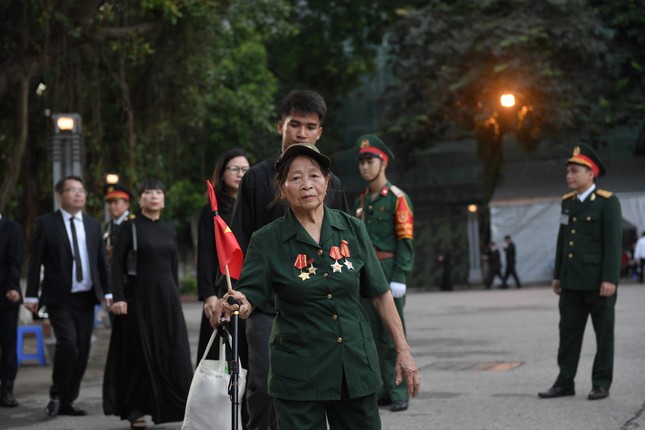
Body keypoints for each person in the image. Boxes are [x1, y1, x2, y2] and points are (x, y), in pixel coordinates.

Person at [222, 143, 421, 430]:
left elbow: (379, 293)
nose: (306, 185)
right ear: (282, 187)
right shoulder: (267, 240)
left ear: (327, 183)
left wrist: (403, 351)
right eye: (296, 178)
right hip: (299, 370)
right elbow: (251, 294)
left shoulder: (353, 229)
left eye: (314, 176)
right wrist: (240, 301)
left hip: (353, 366)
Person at [208, 89, 349, 430]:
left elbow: (345, 245)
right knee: (264, 387)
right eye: (294, 124)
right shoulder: (257, 178)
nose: (302, 133)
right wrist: (223, 293)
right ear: (280, 126)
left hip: (320, 303)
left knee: (320, 386)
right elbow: (236, 238)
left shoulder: (333, 183)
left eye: (310, 126)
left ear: (320, 132)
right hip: (266, 305)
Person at [103, 178, 193, 428]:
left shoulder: (170, 228)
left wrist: (174, 297)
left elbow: (172, 267)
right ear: (140, 199)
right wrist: (118, 298)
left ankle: (171, 407)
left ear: (163, 199)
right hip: (138, 299)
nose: (154, 196)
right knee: (138, 355)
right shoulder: (129, 228)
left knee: (173, 351)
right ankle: (135, 410)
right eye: (148, 192)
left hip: (167, 299)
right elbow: (116, 267)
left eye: (158, 192)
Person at [538, 143, 622, 401]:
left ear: (591, 173)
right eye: (568, 172)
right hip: (572, 283)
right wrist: (558, 275)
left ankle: (601, 382)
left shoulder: (608, 202)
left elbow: (613, 243)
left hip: (598, 283)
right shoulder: (567, 203)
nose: (569, 176)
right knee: (569, 335)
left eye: (575, 171)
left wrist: (610, 278)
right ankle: (565, 382)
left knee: (603, 335)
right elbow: (563, 240)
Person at [25, 176, 111, 417]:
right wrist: (31, 295)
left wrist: (109, 291)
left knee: (83, 350)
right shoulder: (46, 223)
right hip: (58, 298)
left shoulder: (93, 225)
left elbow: (101, 262)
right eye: (72, 190)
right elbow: (34, 263)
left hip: (86, 298)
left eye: (81, 190)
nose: (78, 194)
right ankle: (56, 394)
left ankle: (67, 399)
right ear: (59, 195)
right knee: (69, 345)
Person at [354, 134, 414, 412]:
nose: (365, 166)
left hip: (389, 270)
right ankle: (381, 390)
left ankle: (399, 390)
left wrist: (400, 275)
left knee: (392, 332)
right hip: (367, 270)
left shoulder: (398, 199)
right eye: (362, 162)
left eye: (370, 160)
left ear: (383, 162)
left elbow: (406, 242)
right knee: (370, 333)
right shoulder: (362, 200)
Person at [196, 148, 250, 427]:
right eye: (235, 169)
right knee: (222, 362)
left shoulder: (253, 203)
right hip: (221, 290)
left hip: (249, 289)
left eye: (245, 169)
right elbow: (205, 255)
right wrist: (209, 295)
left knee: (250, 363)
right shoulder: (213, 211)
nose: (241, 174)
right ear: (222, 173)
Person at [0, 214, 24, 408]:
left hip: (6, 297)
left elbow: (15, 261)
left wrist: (13, 287)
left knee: (8, 346)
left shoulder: (11, 228)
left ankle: (7, 390)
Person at [103, 182, 134, 261]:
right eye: (110, 203)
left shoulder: (133, 223)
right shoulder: (108, 225)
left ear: (126, 204)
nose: (112, 206)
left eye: (116, 203)